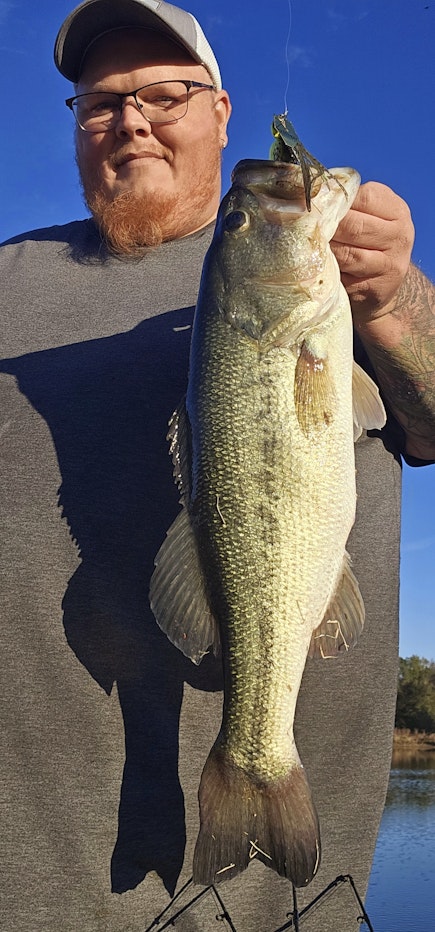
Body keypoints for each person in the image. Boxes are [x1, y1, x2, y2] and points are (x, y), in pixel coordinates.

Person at [1, 2, 434, 930]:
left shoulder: (348, 284)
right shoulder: (6, 283)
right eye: (100, 103)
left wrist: (392, 302)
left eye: (165, 94)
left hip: (281, 903)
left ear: (222, 112)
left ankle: (258, 762)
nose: (131, 121)